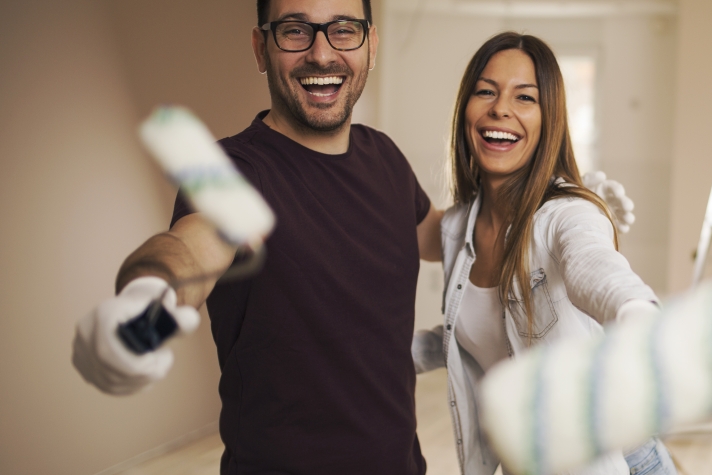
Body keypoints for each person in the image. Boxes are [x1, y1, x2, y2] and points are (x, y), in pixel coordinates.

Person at [71, 0, 440, 473]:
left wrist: (524, 209)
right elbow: (187, 248)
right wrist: (146, 299)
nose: (322, 54)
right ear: (260, 47)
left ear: (371, 45)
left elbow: (436, 235)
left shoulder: (384, 156)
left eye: (343, 30)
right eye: (294, 30)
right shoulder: (232, 175)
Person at [411, 32, 678, 475]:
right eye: (486, 92)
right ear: (465, 111)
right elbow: (478, 332)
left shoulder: (565, 215)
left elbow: (593, 267)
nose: (500, 108)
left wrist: (635, 313)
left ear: (548, 119)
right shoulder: (457, 228)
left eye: (525, 97)